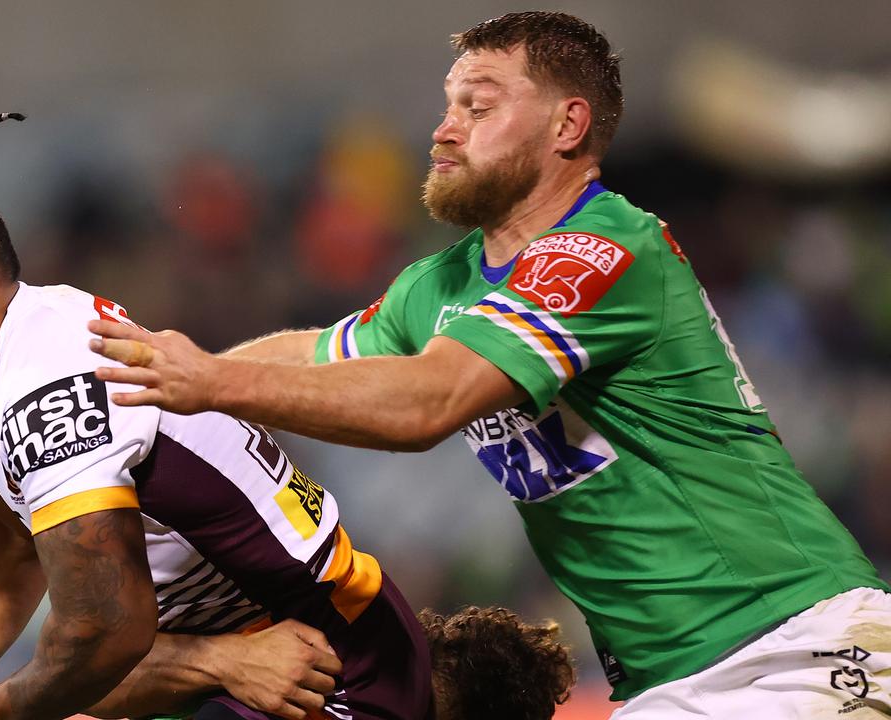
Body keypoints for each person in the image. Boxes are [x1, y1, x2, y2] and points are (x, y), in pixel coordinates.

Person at [88, 11, 891, 718]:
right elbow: (311, 356)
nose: (444, 129)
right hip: (666, 680)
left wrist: (208, 382)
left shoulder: (603, 247)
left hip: (794, 642)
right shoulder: (440, 284)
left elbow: (429, 403)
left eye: (478, 106)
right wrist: (152, 392)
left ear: (567, 125)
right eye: (447, 107)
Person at [0, 157, 574, 719]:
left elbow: (104, 633)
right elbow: (4, 573)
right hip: (236, 660)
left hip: (329, 671)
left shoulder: (47, 386)